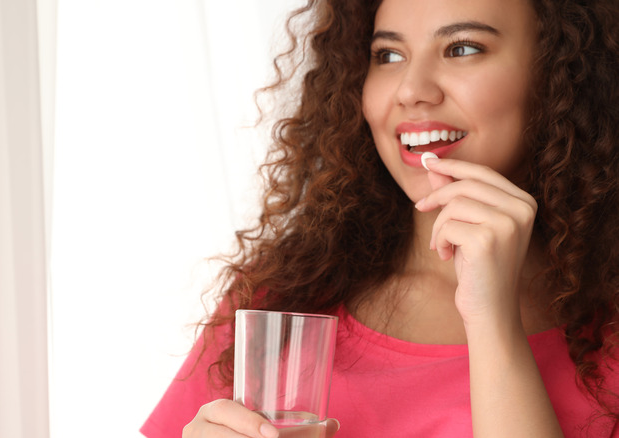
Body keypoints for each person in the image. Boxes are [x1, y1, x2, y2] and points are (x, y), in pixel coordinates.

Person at [142, 0, 619, 436]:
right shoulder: (276, 297)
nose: (411, 90)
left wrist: (492, 322)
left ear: (562, 72)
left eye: (463, 48)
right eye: (388, 55)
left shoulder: (608, 331)